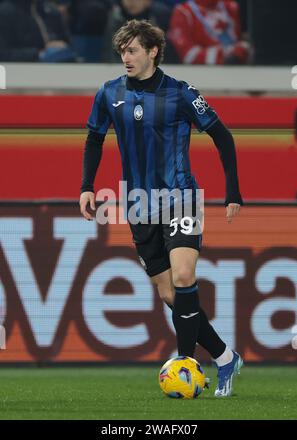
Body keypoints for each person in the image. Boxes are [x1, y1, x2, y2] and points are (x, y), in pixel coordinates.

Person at [79, 19, 243, 397]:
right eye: (122, 50)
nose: (126, 57)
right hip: (138, 204)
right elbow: (93, 138)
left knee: (185, 277)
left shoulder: (182, 93)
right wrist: (87, 187)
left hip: (180, 196)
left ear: (153, 51)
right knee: (170, 295)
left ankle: (186, 365)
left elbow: (223, 136)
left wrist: (233, 191)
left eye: (133, 50)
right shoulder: (108, 94)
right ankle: (224, 356)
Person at [168, 0, 249, 64]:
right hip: (202, 74)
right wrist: (227, 54)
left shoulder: (231, 7)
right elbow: (188, 56)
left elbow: (247, 46)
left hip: (238, 71)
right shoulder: (183, 13)